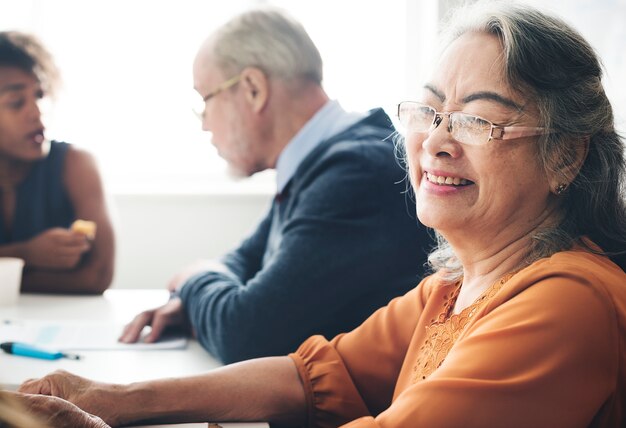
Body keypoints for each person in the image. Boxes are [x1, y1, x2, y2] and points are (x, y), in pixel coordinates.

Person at [19, 1, 626, 426]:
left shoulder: (566, 303)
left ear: (565, 157)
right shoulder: (452, 287)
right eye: (431, 111)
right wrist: (111, 398)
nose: (437, 141)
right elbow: (313, 374)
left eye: (477, 119)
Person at [118, 8, 433, 363]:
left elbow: (245, 335)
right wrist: (199, 300)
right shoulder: (316, 162)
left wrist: (194, 279)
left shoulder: (353, 174)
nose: (204, 124)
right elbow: (245, 259)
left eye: (204, 101)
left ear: (253, 89)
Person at [0, 31, 115, 294]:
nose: (37, 112)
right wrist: (26, 254)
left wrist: (8, 275)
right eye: (16, 103)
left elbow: (98, 276)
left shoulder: (77, 165)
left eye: (40, 95)